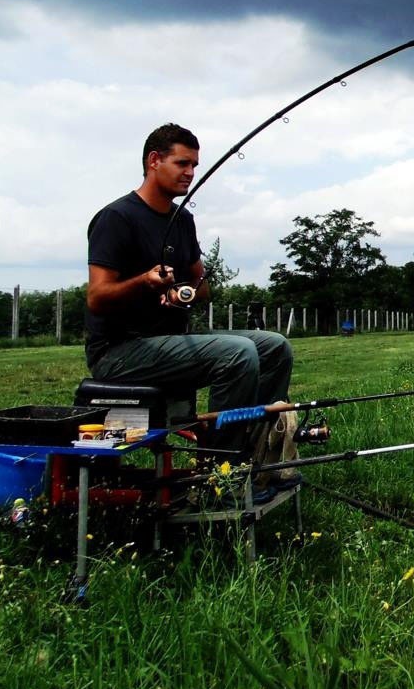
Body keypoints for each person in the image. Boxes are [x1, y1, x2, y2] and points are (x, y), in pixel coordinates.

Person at [84, 123, 293, 467]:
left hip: (170, 341)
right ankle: (218, 467)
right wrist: (145, 282)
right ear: (154, 160)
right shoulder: (117, 218)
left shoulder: (183, 221)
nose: (191, 173)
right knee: (238, 353)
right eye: (182, 163)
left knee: (275, 347)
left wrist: (183, 293)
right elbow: (97, 296)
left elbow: (202, 287)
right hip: (119, 352)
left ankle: (258, 452)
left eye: (194, 165)